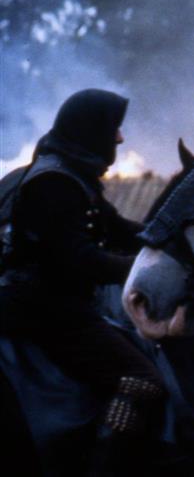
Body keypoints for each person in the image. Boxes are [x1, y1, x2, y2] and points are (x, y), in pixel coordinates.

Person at [0, 89, 165, 475]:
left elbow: (118, 228)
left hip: (56, 307)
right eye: (113, 129)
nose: (120, 138)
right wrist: (141, 270)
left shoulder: (71, 175)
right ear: (92, 130)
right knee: (142, 379)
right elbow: (77, 260)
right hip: (48, 311)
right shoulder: (53, 183)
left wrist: (170, 242)